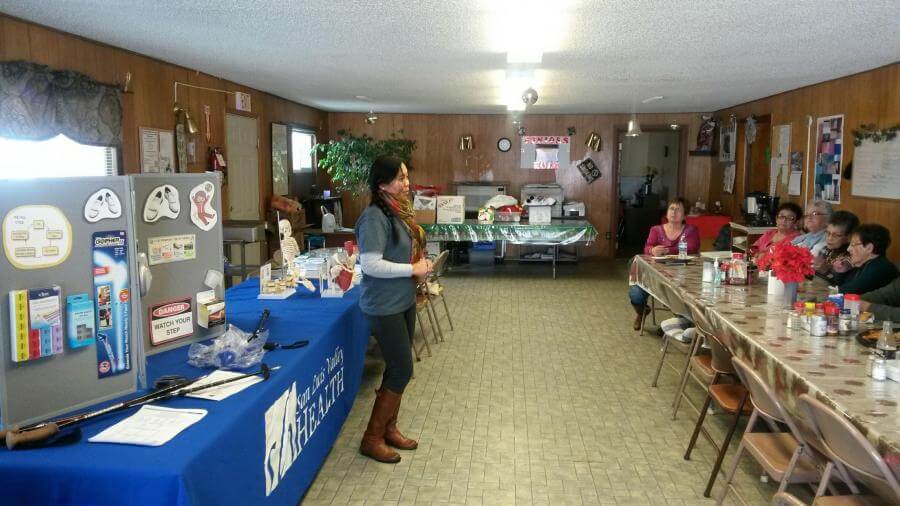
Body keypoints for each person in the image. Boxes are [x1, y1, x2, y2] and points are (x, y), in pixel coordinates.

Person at [354, 156, 432, 463]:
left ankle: (389, 429)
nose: (406, 182)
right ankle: (371, 438)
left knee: (396, 367)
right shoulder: (375, 217)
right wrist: (412, 269)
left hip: (402, 300)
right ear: (382, 184)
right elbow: (370, 265)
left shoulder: (398, 211)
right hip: (383, 305)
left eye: (406, 176)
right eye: (399, 178)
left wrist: (415, 270)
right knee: (402, 369)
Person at [629, 197, 700, 330]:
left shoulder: (691, 230)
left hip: (681, 275)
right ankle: (641, 312)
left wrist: (667, 250)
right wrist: (653, 250)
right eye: (671, 209)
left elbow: (692, 247)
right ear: (667, 212)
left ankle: (676, 323)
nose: (673, 212)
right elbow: (647, 247)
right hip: (654, 274)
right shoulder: (656, 229)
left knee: (681, 295)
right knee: (635, 294)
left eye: (678, 210)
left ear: (685, 215)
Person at [838, 224, 898, 295]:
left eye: (853, 244)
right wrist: (842, 271)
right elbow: (840, 286)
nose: (848, 249)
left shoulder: (880, 268)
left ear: (869, 248)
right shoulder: (864, 264)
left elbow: (846, 292)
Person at [813, 210, 858, 285]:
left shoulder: (851, 257)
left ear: (849, 237)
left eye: (836, 235)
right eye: (828, 233)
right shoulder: (825, 249)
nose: (830, 238)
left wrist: (827, 270)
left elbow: (840, 285)